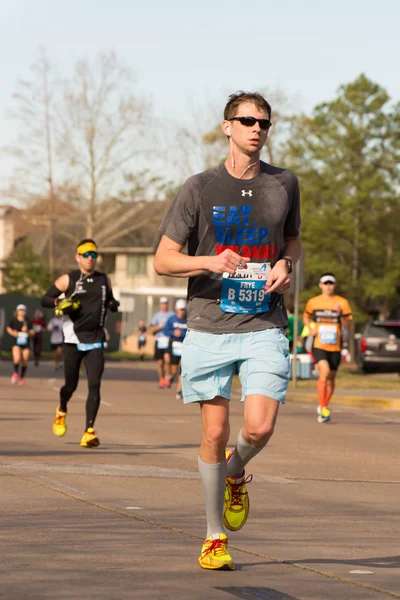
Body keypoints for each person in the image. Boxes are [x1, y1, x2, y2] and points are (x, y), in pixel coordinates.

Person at [154, 91, 301, 571]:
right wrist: (209, 261)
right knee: (214, 432)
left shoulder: (285, 184)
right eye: (247, 120)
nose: (256, 128)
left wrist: (285, 263)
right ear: (227, 127)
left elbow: (293, 242)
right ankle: (215, 535)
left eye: (264, 122)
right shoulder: (199, 188)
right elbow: (163, 259)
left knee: (258, 427)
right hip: (209, 323)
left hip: (264, 321)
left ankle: (235, 472)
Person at [41, 239, 120, 447]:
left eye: (94, 255)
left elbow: (109, 300)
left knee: (94, 384)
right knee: (71, 385)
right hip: (72, 339)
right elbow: (46, 299)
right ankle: (62, 409)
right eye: (86, 255)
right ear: (77, 257)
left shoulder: (104, 280)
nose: (90, 259)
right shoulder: (69, 279)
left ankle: (89, 431)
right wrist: (60, 302)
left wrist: (113, 305)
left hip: (95, 339)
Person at [303, 273, 352, 423]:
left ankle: (324, 404)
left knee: (331, 378)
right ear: (320, 285)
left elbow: (347, 326)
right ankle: (324, 408)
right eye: (325, 283)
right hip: (319, 345)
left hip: (335, 346)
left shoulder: (342, 302)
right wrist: (309, 328)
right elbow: (306, 316)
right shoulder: (313, 302)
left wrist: (341, 314)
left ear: (334, 286)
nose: (328, 286)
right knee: (324, 371)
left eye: (331, 283)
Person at [163, 299, 188, 400]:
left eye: (183, 310)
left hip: (184, 345)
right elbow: (165, 331)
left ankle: (179, 390)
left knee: (182, 369)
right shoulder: (171, 319)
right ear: (176, 309)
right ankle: (171, 376)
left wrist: (182, 334)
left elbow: (191, 332)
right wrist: (173, 333)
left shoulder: (188, 320)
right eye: (180, 310)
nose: (181, 312)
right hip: (174, 345)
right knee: (174, 369)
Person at [149, 297, 174, 388]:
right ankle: (161, 379)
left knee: (167, 360)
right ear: (160, 305)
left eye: (166, 303)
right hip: (159, 340)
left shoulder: (172, 315)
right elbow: (151, 329)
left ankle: (167, 377)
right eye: (163, 304)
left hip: (168, 339)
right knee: (160, 363)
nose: (164, 305)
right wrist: (158, 327)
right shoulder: (156, 316)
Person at [6, 304, 34, 385]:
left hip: (26, 342)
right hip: (16, 342)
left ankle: (22, 377)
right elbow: (8, 328)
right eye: (20, 310)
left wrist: (27, 332)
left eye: (23, 310)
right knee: (17, 358)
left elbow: (32, 332)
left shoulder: (28, 321)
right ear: (17, 311)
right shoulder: (13, 320)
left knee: (25, 360)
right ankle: (15, 373)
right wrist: (13, 333)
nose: (21, 312)